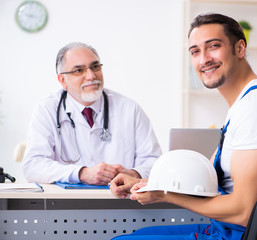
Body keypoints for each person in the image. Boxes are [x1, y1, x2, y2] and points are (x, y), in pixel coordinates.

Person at [110, 13, 257, 239]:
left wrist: (164, 195)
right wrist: (145, 184)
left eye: (213, 46)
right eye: (195, 51)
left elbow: (244, 211)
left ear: (240, 49)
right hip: (229, 229)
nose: (204, 59)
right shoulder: (246, 103)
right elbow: (203, 183)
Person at [22, 42, 162, 185]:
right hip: (66, 203)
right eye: (79, 70)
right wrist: (82, 173)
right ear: (62, 80)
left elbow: (154, 162)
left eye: (95, 67)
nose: (91, 75)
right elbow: (33, 166)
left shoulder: (129, 109)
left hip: (121, 201)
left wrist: (133, 173)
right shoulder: (47, 110)